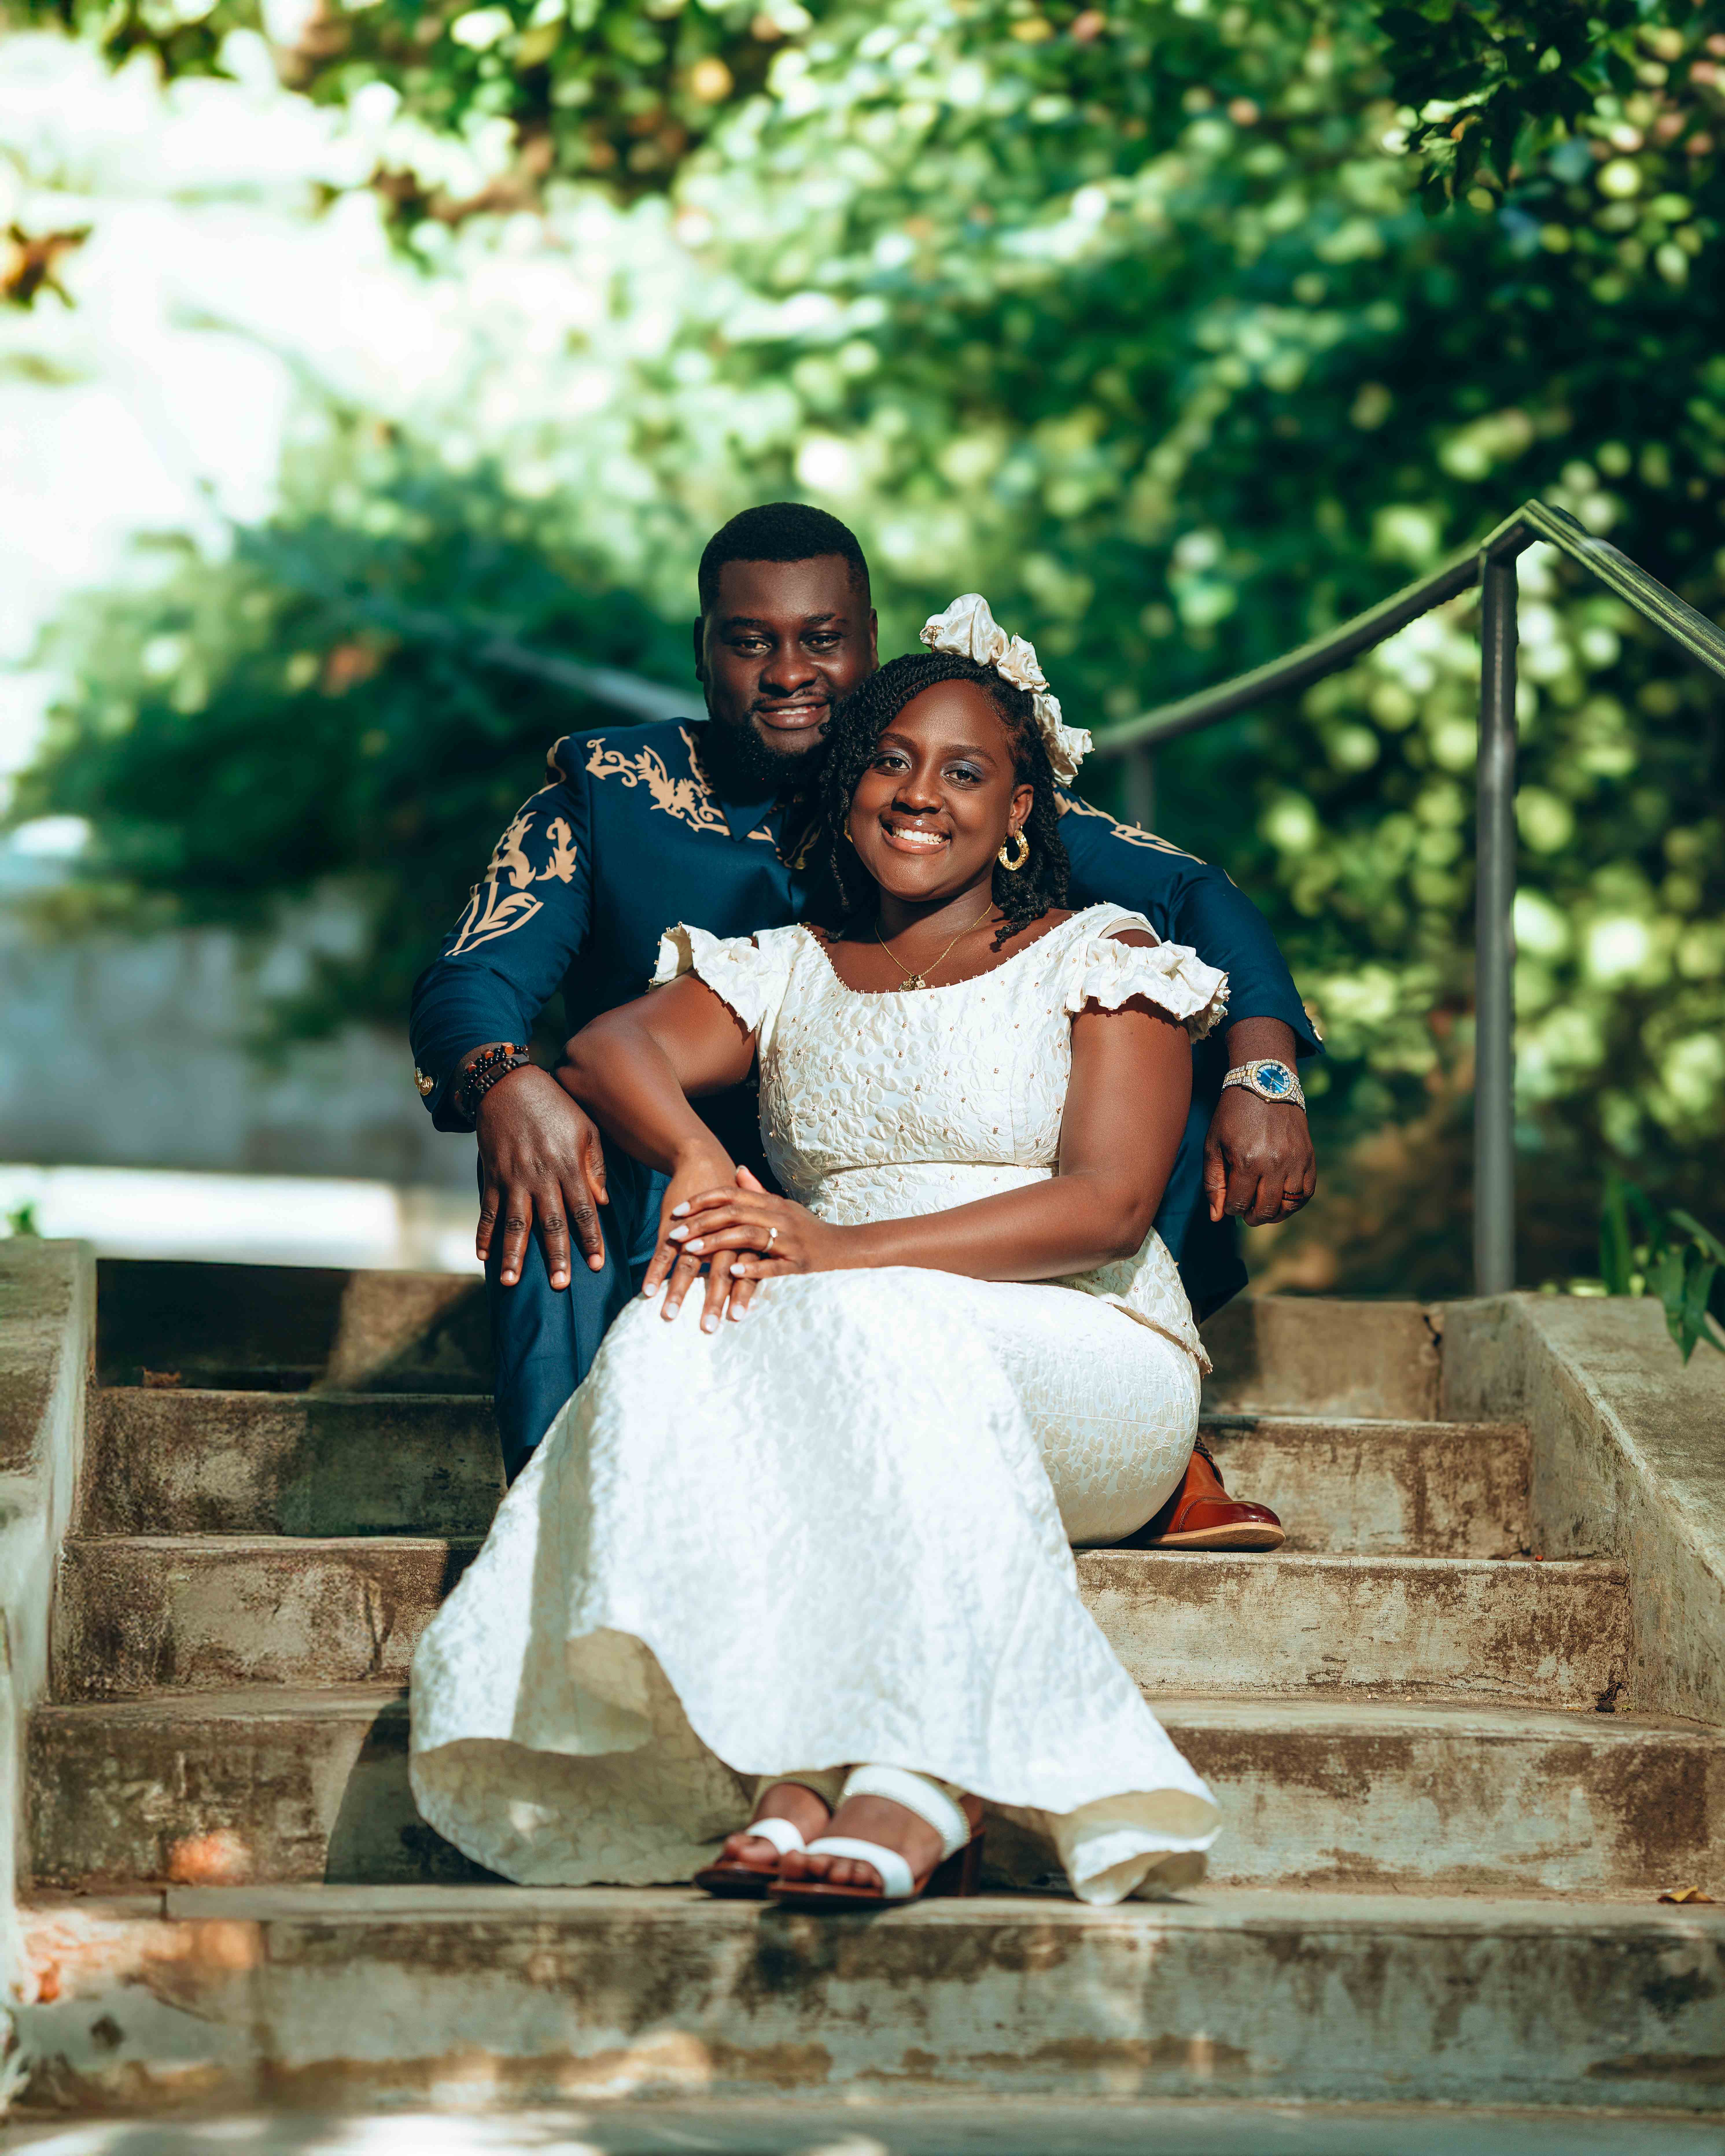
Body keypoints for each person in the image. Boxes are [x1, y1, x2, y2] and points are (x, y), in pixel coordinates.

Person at [409, 608, 1230, 1908]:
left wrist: (839, 1248)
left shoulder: (1107, 956)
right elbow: (614, 1048)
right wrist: (693, 1158)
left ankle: (925, 1779)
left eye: (964, 772)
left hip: (1085, 1347)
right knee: (674, 1326)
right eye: (891, 760)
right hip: (846, 1330)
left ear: (1019, 807)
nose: (920, 796)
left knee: (873, 1322)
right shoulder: (791, 969)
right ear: (848, 783)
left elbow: (1107, 1209)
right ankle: (793, 1772)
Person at [408, 505, 1315, 1549]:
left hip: (962, 1212)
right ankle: (566, 1512)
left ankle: (1129, 1413)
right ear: (705, 650)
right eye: (750, 642)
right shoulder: (611, 793)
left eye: (821, 639)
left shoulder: (938, 784)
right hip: (675, 1162)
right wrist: (510, 1089)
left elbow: (1195, 899)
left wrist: (1264, 1071)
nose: (789, 672)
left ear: (869, 641)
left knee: (1144, 1025)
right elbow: (472, 976)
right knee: (554, 1134)